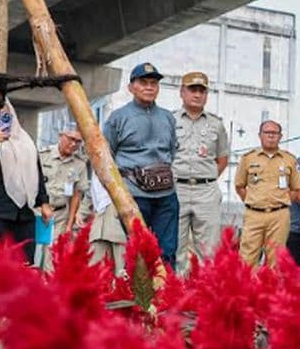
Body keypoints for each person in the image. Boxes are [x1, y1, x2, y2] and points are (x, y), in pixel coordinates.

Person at [103, 62, 179, 266]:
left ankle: (166, 294)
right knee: (136, 251)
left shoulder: (168, 117)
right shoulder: (118, 118)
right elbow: (106, 155)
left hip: (166, 194)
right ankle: (137, 295)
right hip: (133, 194)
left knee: (167, 250)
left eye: (153, 83)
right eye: (143, 82)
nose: (149, 87)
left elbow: (172, 150)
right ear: (131, 87)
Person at [173, 71, 230, 274]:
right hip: (176, 188)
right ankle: (175, 292)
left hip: (206, 190)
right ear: (182, 92)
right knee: (175, 246)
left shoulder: (216, 124)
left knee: (209, 250)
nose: (197, 95)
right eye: (192, 90)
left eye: (202, 91)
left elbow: (222, 159)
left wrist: (206, 178)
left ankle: (204, 295)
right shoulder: (170, 121)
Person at [0, 101, 52, 264]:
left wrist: (44, 203)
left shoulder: (26, 143)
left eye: (7, 116)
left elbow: (37, 172)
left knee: (24, 263)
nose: (4, 120)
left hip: (24, 213)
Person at [235, 120, 300, 267]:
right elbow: (239, 186)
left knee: (276, 258)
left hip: (279, 215)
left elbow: (296, 189)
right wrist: (254, 201)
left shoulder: (289, 159)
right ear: (260, 135)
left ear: (280, 136)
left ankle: (271, 289)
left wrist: (280, 202)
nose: (271, 136)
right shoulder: (248, 158)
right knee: (247, 257)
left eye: (275, 133)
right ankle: (247, 289)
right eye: (267, 132)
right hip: (254, 214)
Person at [37, 127, 89, 270]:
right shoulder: (42, 156)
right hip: (37, 212)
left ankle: (47, 289)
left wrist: (69, 224)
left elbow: (76, 195)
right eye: (71, 139)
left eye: (78, 142)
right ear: (61, 136)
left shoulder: (80, 164)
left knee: (52, 257)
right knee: (33, 255)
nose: (74, 144)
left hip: (60, 216)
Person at [87, 171, 127, 276]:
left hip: (119, 214)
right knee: (96, 271)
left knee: (122, 271)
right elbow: (92, 190)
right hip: (99, 217)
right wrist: (82, 213)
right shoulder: (94, 160)